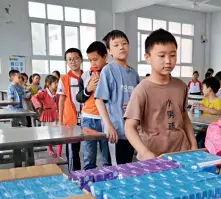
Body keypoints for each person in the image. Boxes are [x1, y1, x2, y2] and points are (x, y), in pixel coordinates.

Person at [124, 29, 197, 160]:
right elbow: (129, 127)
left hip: (181, 152)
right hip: (153, 156)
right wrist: (145, 152)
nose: (168, 61)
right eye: (162, 56)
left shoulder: (181, 86)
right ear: (148, 58)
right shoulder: (142, 90)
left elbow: (184, 116)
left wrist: (193, 144)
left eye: (173, 55)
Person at [95, 30, 139, 165]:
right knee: (115, 169)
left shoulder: (134, 74)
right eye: (116, 45)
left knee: (128, 167)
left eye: (124, 43)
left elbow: (138, 101)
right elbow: (99, 100)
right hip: (116, 131)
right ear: (109, 51)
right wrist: (108, 125)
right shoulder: (108, 71)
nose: (121, 47)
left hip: (131, 131)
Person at [76, 41, 110, 170]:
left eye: (95, 59)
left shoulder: (111, 73)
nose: (93, 64)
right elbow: (79, 97)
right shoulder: (85, 75)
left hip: (107, 120)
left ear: (105, 57)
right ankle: (89, 185)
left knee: (107, 158)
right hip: (89, 120)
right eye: (90, 60)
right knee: (89, 157)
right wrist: (87, 89)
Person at [57, 48, 84, 172]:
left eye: (76, 58)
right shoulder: (63, 80)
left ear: (81, 59)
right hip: (70, 120)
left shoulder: (88, 76)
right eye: (70, 59)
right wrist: (60, 120)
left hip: (87, 118)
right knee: (73, 150)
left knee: (89, 149)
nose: (73, 62)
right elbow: (61, 100)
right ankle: (75, 175)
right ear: (66, 62)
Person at [31, 75, 62, 158]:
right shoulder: (43, 92)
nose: (57, 84)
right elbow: (34, 97)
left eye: (58, 82)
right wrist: (38, 106)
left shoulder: (59, 92)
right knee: (49, 134)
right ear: (48, 84)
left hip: (57, 115)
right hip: (47, 115)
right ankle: (50, 149)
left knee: (60, 135)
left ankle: (59, 154)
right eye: (55, 83)